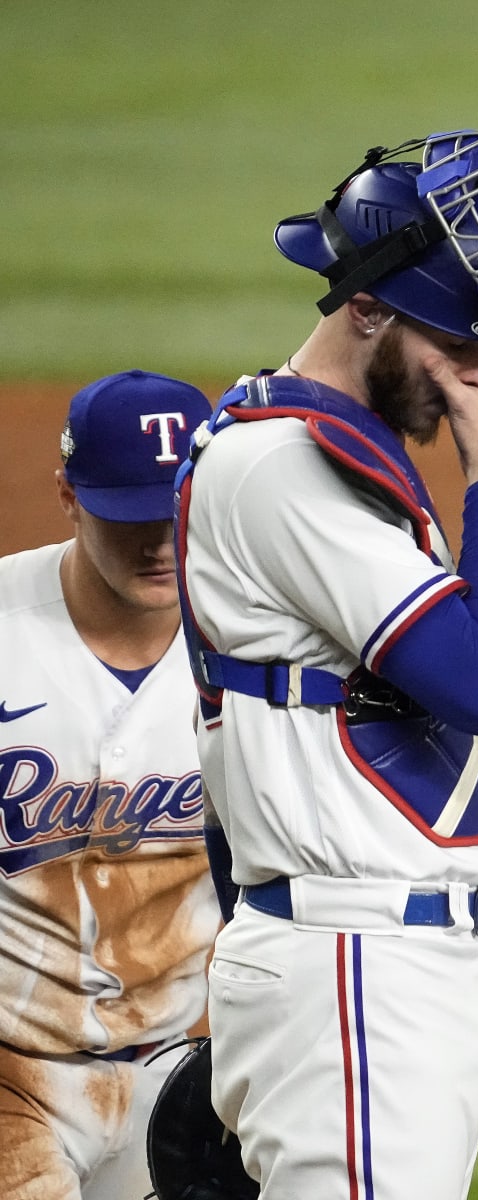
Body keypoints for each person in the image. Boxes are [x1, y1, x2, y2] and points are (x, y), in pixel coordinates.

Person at [173, 129, 478, 1198]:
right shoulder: (287, 469)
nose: (476, 375)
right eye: (457, 341)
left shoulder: (321, 447)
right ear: (365, 307)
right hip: (353, 973)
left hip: (371, 966)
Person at [0, 370, 220, 1200]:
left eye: (175, 512)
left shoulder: (257, 644)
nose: (158, 542)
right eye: (127, 516)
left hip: (176, 1080)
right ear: (66, 493)